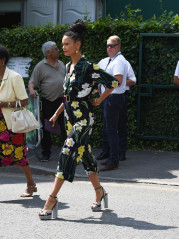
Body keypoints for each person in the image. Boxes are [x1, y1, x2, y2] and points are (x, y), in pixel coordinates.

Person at [38, 19, 119, 220]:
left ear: (77, 45)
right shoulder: (68, 66)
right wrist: (57, 113)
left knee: (66, 151)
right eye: (62, 44)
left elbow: (114, 82)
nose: (63, 47)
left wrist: (99, 100)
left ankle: (52, 198)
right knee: (85, 155)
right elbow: (67, 96)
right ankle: (99, 191)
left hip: (83, 119)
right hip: (69, 118)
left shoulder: (88, 66)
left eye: (66, 44)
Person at [0, 45, 37, 197]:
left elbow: (24, 101)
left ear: (2, 60)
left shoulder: (14, 77)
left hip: (11, 123)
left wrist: (4, 104)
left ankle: (31, 184)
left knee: (19, 155)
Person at [28, 41, 66, 162]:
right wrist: (31, 90)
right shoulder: (40, 66)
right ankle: (46, 153)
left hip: (62, 100)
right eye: (55, 49)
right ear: (48, 52)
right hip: (48, 101)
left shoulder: (62, 64)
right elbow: (32, 82)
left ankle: (68, 153)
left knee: (65, 127)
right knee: (47, 128)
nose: (58, 50)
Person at [97, 35, 128, 171]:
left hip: (113, 98)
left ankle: (113, 161)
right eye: (107, 45)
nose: (109, 48)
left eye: (112, 45)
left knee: (111, 130)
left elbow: (117, 82)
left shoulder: (119, 61)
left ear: (118, 47)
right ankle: (111, 158)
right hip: (112, 98)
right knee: (110, 130)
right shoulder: (112, 60)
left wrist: (101, 98)